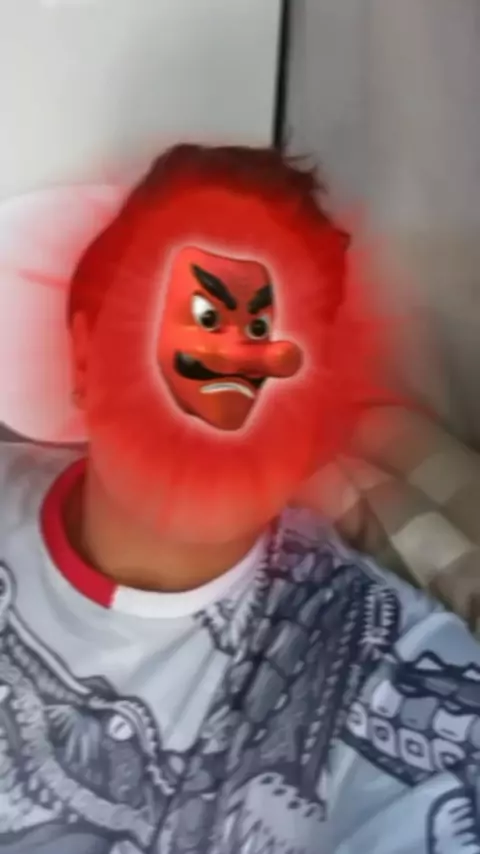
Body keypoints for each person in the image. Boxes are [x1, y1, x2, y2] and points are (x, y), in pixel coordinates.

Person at [0, 143, 479, 854]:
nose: (233, 362)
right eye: (196, 315)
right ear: (84, 355)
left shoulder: (396, 676)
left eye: (270, 329)